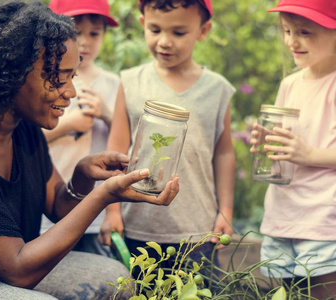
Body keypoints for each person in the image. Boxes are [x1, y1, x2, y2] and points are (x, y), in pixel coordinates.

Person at [0, 1, 179, 299]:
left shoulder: (21, 125)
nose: (70, 92)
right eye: (57, 77)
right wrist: (105, 195)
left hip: (7, 268)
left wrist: (82, 178)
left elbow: (57, 206)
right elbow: (19, 270)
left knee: (116, 279)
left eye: (71, 76)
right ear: (11, 73)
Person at [250, 0, 336, 298]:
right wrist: (269, 143)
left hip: (324, 220)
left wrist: (310, 155)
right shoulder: (290, 85)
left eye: (305, 32)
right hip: (285, 215)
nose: (292, 40)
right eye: (287, 30)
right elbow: (289, 149)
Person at [99, 0, 236, 268]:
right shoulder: (130, 82)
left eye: (178, 32)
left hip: (197, 230)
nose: (164, 41)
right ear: (142, 24)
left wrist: (227, 211)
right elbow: (115, 149)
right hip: (135, 225)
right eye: (155, 29)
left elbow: (224, 153)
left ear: (203, 30)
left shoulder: (218, 90)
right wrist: (112, 210)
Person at [42, 0, 122, 257]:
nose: (85, 41)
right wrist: (69, 124)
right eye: (76, 32)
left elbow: (126, 138)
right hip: (49, 206)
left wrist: (106, 115)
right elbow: (29, 138)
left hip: (94, 211)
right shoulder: (45, 81)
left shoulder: (114, 85)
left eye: (94, 33)